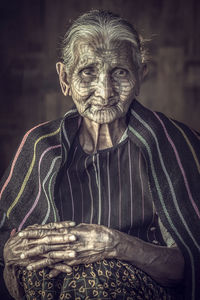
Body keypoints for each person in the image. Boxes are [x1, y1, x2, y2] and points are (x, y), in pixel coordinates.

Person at [0, 9, 200, 300]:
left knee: (98, 277)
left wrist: (116, 245)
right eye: (88, 72)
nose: (104, 92)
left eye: (120, 72)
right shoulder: (41, 146)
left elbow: (189, 263)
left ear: (140, 74)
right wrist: (9, 250)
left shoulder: (171, 145)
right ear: (64, 77)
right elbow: (5, 233)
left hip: (139, 289)